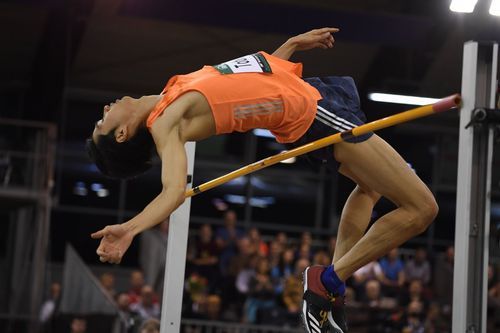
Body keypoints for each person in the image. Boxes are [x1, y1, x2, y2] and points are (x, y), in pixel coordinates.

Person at [88, 27, 439, 332]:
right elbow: (173, 192)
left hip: (308, 101)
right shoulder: (165, 123)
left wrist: (289, 45)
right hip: (316, 114)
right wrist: (130, 228)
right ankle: (326, 282)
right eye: (101, 123)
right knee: (422, 209)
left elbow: (248, 78)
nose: (105, 111)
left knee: (371, 188)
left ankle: (330, 294)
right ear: (121, 135)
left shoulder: (173, 90)